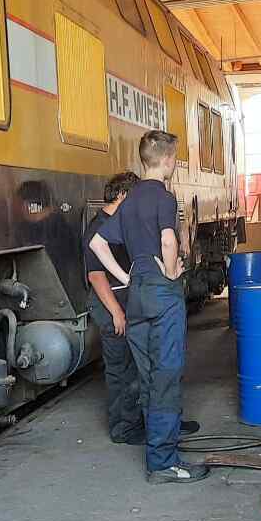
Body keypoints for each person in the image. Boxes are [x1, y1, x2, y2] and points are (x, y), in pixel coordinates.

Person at [89, 130, 209, 484]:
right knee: (167, 376)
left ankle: (159, 453)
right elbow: (168, 240)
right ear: (168, 160)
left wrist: (125, 277)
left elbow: (97, 243)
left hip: (137, 296)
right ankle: (163, 463)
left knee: (149, 378)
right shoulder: (163, 197)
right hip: (161, 293)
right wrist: (171, 271)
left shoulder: (128, 201)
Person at [84, 172, 144, 445]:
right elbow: (96, 276)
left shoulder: (120, 223)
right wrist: (116, 312)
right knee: (120, 370)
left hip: (125, 303)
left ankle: (136, 421)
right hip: (110, 307)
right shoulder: (98, 228)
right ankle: (122, 428)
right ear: (122, 196)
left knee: (132, 367)